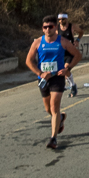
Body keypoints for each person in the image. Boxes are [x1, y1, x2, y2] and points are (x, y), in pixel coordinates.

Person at [25, 15, 82, 149]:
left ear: (55, 28)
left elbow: (78, 55)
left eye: (50, 27)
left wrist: (67, 68)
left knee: (54, 107)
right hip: (43, 79)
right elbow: (28, 61)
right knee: (48, 109)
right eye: (45, 27)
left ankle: (53, 138)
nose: (48, 29)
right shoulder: (38, 42)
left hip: (57, 78)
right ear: (42, 29)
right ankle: (61, 119)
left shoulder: (62, 41)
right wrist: (40, 73)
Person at [57, 12, 83, 97]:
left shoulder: (72, 26)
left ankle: (73, 87)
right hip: (61, 53)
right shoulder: (57, 28)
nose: (61, 21)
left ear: (66, 19)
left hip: (70, 52)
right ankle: (67, 85)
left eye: (63, 19)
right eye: (59, 20)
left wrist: (77, 40)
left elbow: (81, 32)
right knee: (62, 72)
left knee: (66, 69)